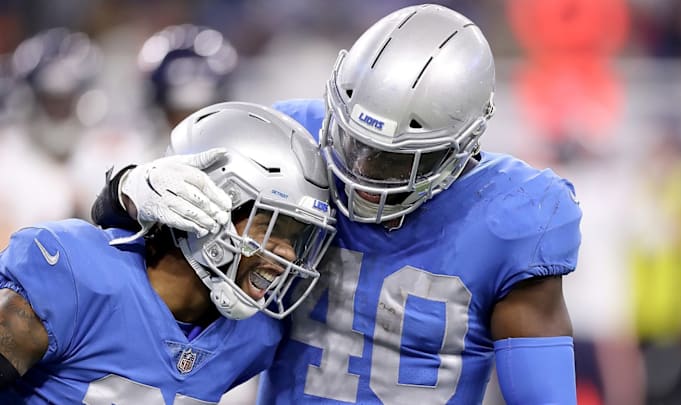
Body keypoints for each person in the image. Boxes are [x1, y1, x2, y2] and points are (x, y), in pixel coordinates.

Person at [92, 4, 582, 404]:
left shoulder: (515, 214)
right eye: (354, 143)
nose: (363, 171)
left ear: (463, 144)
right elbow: (144, 250)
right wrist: (128, 188)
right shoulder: (293, 146)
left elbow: (544, 397)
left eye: (395, 161)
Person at [0, 101, 336, 404]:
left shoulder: (255, 337)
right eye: (272, 229)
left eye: (298, 238)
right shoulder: (72, 273)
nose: (289, 255)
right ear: (206, 206)